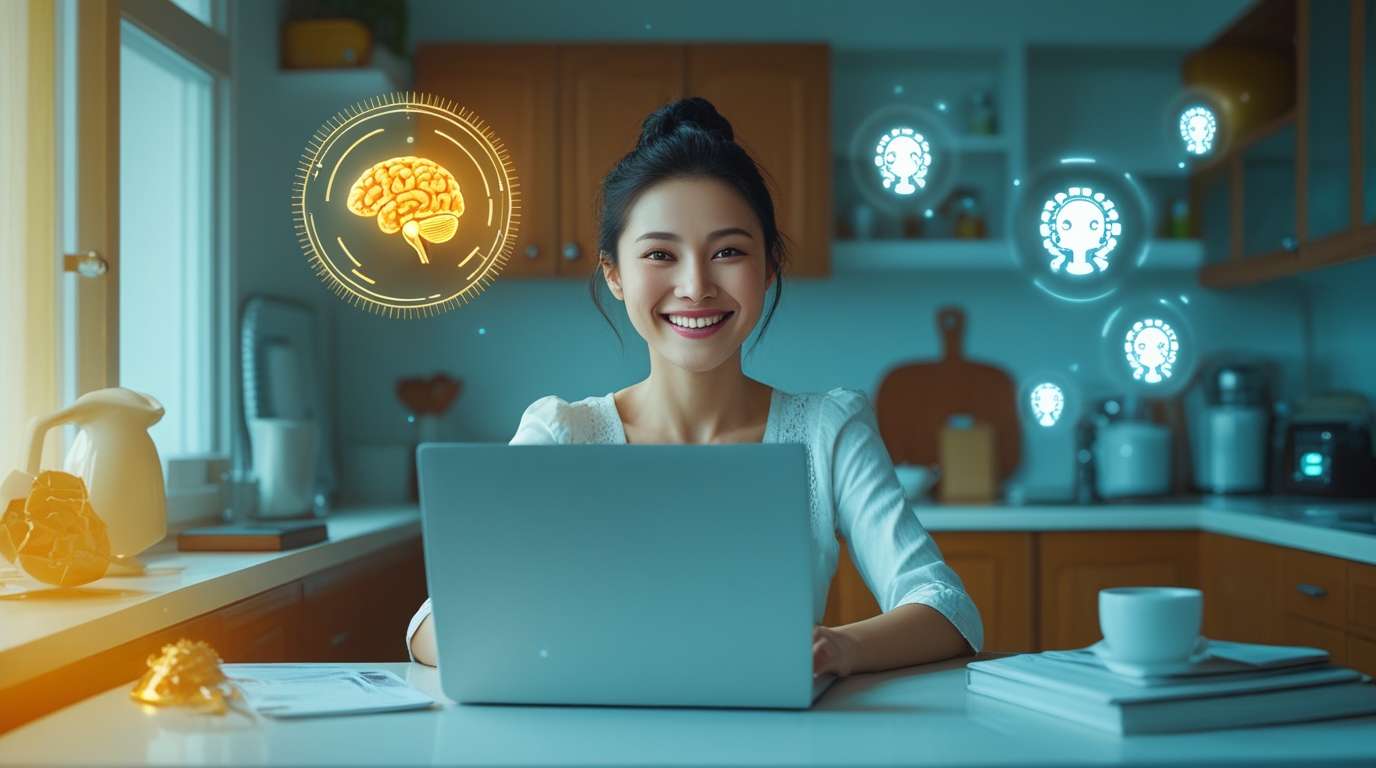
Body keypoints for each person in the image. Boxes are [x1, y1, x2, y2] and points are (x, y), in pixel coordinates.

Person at [407, 97, 982, 676]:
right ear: (614, 274)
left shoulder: (827, 431)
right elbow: (431, 625)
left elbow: (948, 610)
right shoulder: (563, 435)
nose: (695, 285)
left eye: (728, 252)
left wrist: (840, 648)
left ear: (769, 267)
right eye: (660, 254)